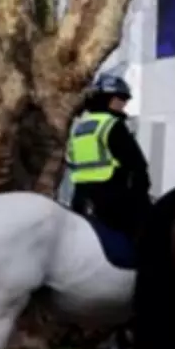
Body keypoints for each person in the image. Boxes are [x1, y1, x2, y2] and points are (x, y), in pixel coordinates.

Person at [67, 73, 151, 238]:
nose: (124, 103)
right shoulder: (112, 125)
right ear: (107, 98)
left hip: (80, 197)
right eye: (121, 98)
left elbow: (71, 159)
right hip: (112, 198)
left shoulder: (80, 127)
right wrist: (142, 193)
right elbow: (136, 164)